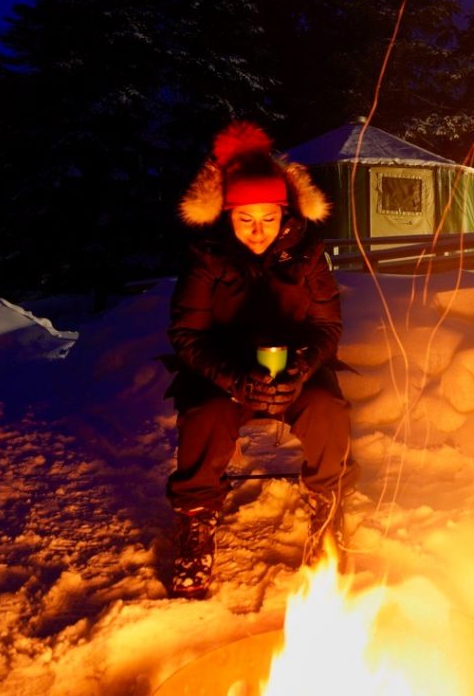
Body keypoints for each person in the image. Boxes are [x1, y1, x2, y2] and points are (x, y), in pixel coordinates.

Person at [164, 120, 356, 599]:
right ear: (227, 216)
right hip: (223, 374)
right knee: (206, 416)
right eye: (245, 219)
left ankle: (326, 510)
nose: (258, 232)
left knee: (327, 411)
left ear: (284, 214)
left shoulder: (307, 255)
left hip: (293, 369)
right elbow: (187, 333)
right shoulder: (206, 258)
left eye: (268, 219)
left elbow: (327, 326)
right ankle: (196, 525)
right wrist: (232, 378)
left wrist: (303, 368)